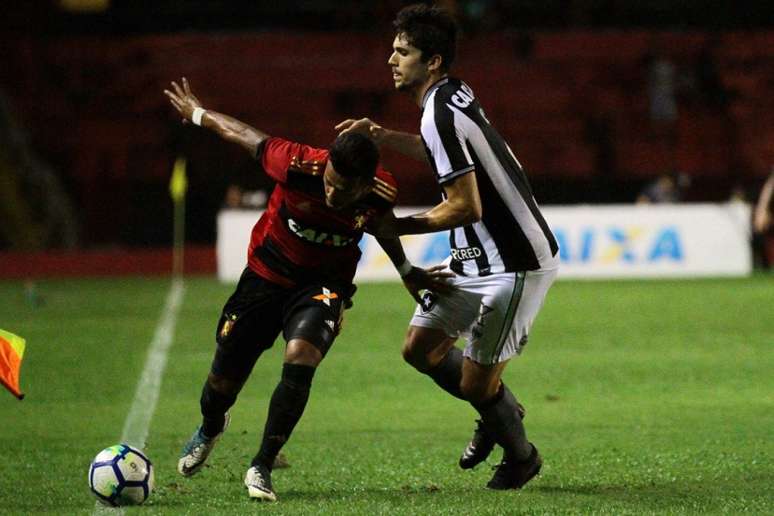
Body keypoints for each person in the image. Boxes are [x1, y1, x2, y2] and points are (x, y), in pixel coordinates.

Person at [163, 78, 451, 501]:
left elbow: (381, 227)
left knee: (302, 356)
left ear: (366, 183)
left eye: (344, 189)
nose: (333, 192)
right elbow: (245, 136)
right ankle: (211, 426)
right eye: (331, 182)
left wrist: (407, 269)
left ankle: (262, 463)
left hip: (322, 286)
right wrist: (198, 114)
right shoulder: (297, 164)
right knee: (223, 381)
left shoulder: (380, 191)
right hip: (265, 276)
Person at [336, 4, 559, 490]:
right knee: (420, 349)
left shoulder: (439, 112)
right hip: (475, 256)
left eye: (403, 52)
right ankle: (498, 406)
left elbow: (465, 206)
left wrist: (395, 228)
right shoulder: (452, 94)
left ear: (432, 61)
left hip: (514, 263)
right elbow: (439, 149)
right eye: (393, 50)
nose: (391, 60)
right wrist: (380, 136)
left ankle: (520, 455)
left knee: (475, 384)